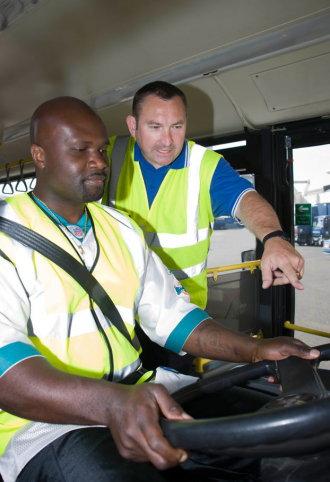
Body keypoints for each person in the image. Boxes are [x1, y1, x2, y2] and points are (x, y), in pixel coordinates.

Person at [0, 97, 318, 482]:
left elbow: (173, 319)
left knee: (287, 440)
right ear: (40, 155)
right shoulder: (0, 237)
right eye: (80, 150)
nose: (98, 161)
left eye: (102, 150)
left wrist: (256, 349)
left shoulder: (122, 229)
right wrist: (111, 404)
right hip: (41, 425)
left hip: (141, 393)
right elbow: (2, 370)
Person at [104, 81, 305, 311]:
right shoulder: (108, 154)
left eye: (177, 126)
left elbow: (245, 199)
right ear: (133, 126)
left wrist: (274, 238)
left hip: (179, 315)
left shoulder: (205, 166)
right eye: (155, 127)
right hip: (118, 307)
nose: (167, 140)